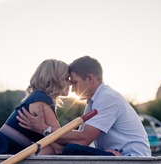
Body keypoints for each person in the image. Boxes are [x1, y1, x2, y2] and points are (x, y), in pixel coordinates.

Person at [17, 56, 151, 157]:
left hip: (132, 158)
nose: (72, 90)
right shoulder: (93, 102)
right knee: (71, 149)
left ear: (90, 78)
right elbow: (79, 139)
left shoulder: (107, 98)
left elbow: (84, 138)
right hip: (119, 156)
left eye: (74, 83)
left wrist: (45, 129)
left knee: (71, 150)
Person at [0, 59, 70, 155]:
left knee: (48, 147)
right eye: (66, 78)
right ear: (54, 79)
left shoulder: (37, 96)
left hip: (2, 146)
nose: (70, 83)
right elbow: (59, 141)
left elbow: (56, 139)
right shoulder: (42, 100)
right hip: (5, 149)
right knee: (51, 149)